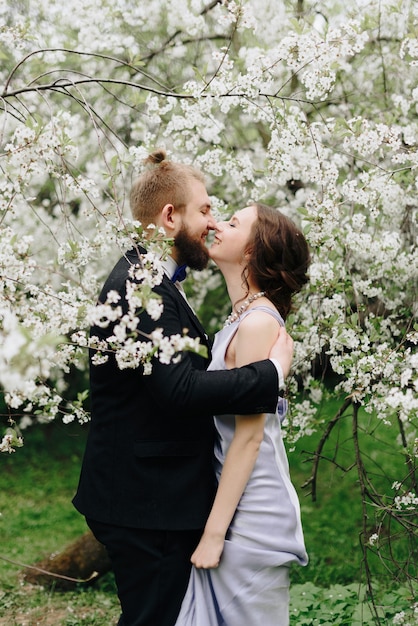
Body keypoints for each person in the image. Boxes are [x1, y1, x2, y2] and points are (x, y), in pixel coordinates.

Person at [72, 151, 295, 626]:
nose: (212, 222)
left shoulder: (153, 280)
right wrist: (269, 377)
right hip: (144, 500)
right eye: (205, 210)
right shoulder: (141, 287)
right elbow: (177, 390)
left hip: (153, 495)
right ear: (170, 217)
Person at [175, 202, 310, 626]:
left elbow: (249, 437)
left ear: (252, 251)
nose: (215, 224)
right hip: (232, 498)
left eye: (232, 223)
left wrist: (214, 536)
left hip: (253, 509)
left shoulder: (257, 324)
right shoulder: (241, 318)